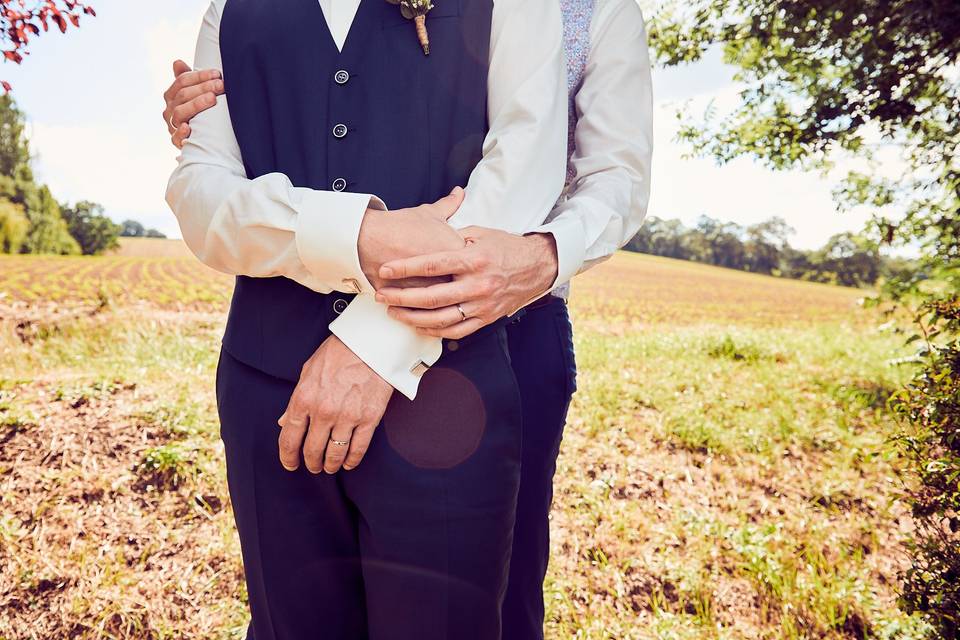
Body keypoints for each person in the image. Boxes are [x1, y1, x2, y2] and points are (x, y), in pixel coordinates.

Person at [163, 0, 652, 637]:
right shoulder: (240, 14)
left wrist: (542, 256)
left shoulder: (592, 10)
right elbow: (211, 175)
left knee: (498, 600)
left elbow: (608, 176)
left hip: (504, 325)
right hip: (285, 349)